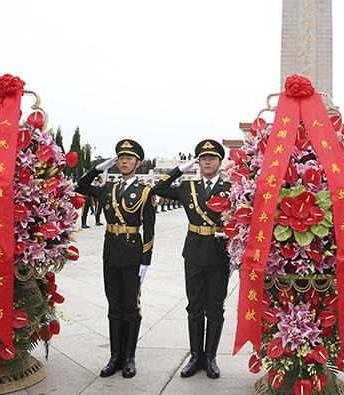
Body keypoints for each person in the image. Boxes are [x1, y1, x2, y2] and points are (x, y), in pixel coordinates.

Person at [76, 139, 155, 379]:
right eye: (120, 158)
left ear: (137, 163)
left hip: (132, 253)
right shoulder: (107, 188)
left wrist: (145, 261)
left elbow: (149, 229)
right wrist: (98, 168)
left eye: (128, 158)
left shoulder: (144, 192)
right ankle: (115, 356)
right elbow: (81, 186)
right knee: (114, 306)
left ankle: (129, 357)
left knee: (131, 307)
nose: (123, 161)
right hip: (110, 252)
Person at [154, 139, 231, 380]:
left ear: (220, 162)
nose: (207, 162)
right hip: (195, 254)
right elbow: (158, 188)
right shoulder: (188, 187)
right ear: (197, 162)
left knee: (215, 309)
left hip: (219, 254)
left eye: (212, 158)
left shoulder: (231, 188)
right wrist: (179, 170)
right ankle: (196, 356)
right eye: (203, 158)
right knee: (194, 307)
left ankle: (211, 358)